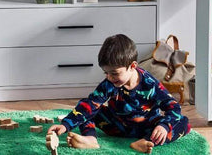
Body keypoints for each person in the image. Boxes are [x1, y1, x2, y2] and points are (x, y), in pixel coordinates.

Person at [47, 34, 191, 154]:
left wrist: (164, 126)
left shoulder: (150, 83)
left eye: (114, 73)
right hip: (115, 126)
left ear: (132, 66)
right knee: (87, 107)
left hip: (146, 127)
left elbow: (173, 107)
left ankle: (146, 141)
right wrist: (66, 125)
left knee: (183, 122)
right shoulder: (110, 83)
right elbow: (91, 103)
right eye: (106, 73)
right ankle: (91, 139)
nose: (110, 77)